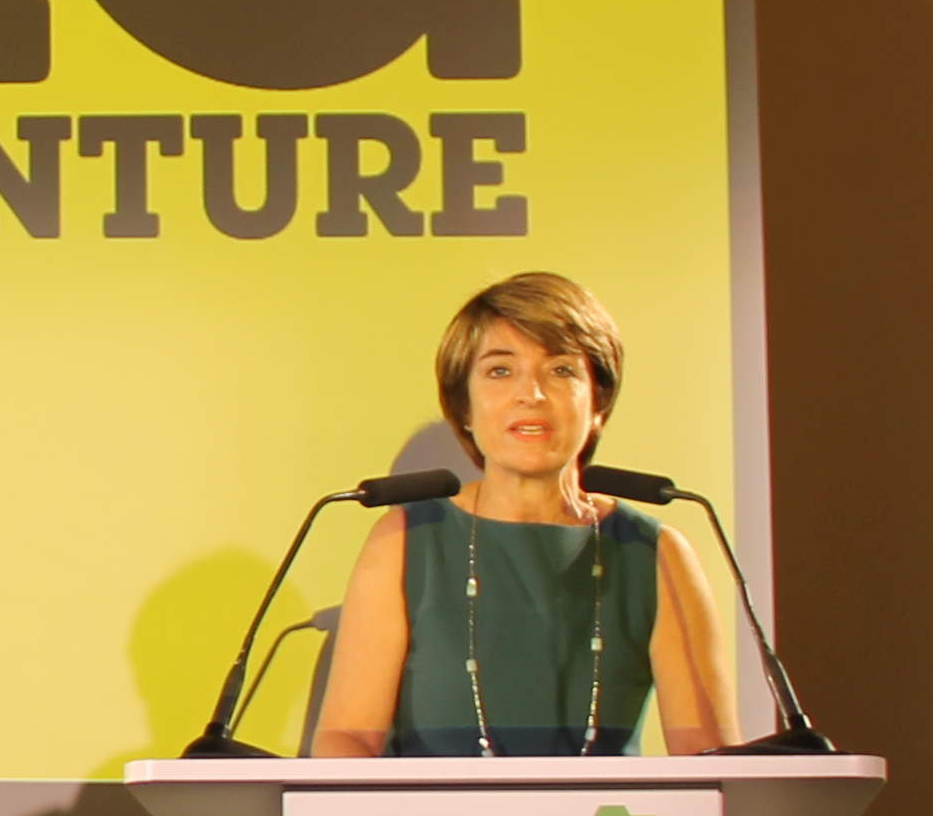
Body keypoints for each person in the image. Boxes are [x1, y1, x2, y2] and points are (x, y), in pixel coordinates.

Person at [309, 273, 735, 758]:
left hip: (603, 813)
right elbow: (346, 740)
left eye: (560, 370)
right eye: (500, 371)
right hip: (433, 811)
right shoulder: (404, 540)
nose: (530, 393)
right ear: (464, 407)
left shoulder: (653, 553)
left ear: (598, 403)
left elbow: (708, 760)